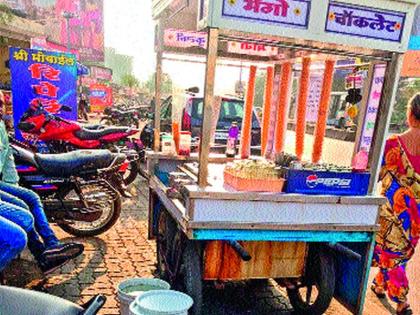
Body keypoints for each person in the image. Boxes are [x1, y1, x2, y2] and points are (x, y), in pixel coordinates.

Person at [0, 91, 84, 275]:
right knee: (23, 220)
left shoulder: (1, 127)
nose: (1, 108)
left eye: (1, 104)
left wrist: (13, 185)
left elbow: (6, 160)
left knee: (29, 202)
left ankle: (49, 250)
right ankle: (44, 254)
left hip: (6, 182)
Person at [371, 93, 420, 315]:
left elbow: (376, 174)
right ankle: (380, 283)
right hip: (417, 215)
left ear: (410, 115)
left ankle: (402, 301)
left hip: (392, 212)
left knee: (394, 255)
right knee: (399, 253)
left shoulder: (393, 144)